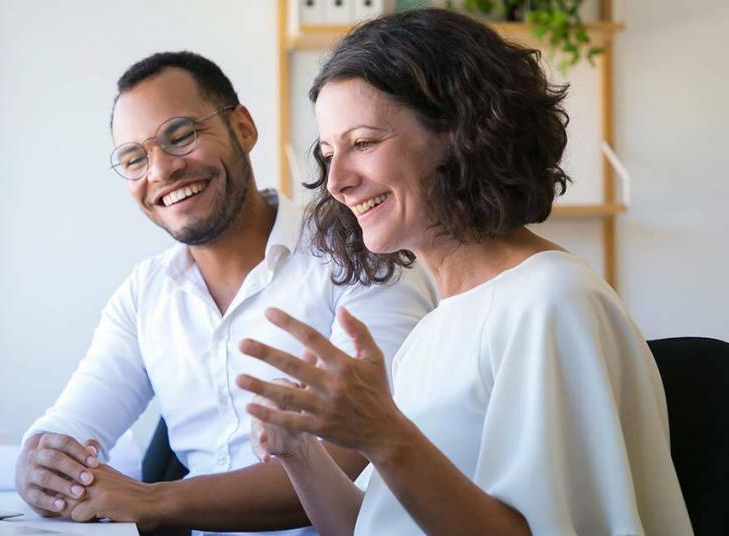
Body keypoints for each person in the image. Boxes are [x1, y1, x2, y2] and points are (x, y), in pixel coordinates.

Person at [235, 9, 693, 536]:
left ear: (460, 131)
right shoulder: (435, 326)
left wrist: (384, 434)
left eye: (362, 143)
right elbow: (372, 526)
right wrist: (298, 453)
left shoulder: (551, 300)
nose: (336, 181)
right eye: (327, 152)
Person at [14, 51, 438, 534]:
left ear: (243, 128)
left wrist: (153, 501)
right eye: (135, 159)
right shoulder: (145, 293)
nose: (160, 171)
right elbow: (71, 425)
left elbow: (354, 456)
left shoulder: (361, 259)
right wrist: (42, 464)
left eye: (180, 136)